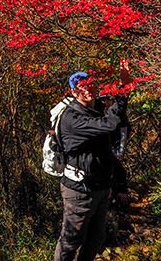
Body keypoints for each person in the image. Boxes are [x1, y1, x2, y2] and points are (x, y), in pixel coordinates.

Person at [55, 71, 129, 261]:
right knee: (71, 241)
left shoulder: (98, 108)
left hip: (100, 187)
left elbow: (117, 123)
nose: (88, 89)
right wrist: (122, 92)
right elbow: (110, 125)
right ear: (73, 92)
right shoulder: (73, 119)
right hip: (80, 190)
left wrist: (113, 184)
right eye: (82, 87)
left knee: (96, 237)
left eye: (89, 84)